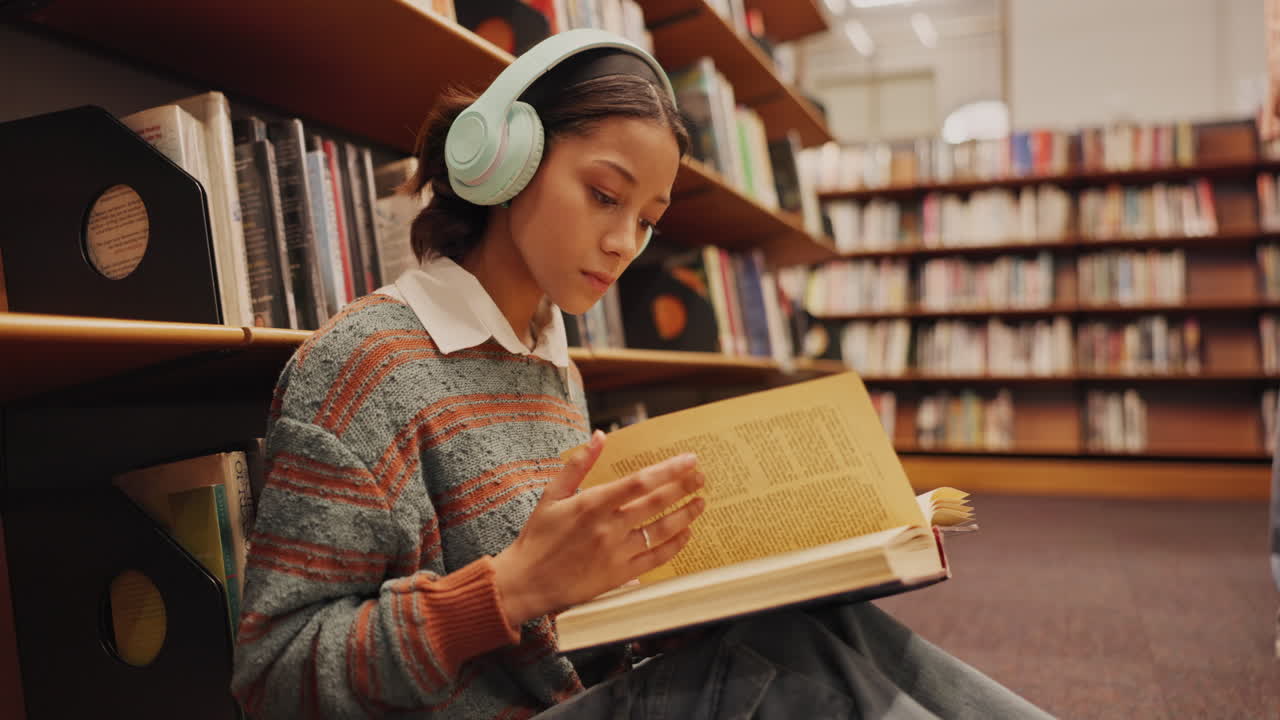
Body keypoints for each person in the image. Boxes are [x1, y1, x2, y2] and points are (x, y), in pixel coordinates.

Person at [231, 28, 1054, 720]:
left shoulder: (547, 360)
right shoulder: (364, 367)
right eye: (602, 195)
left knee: (810, 629)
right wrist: (508, 591)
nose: (626, 242)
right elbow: (272, 674)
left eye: (649, 221)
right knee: (776, 678)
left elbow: (570, 628)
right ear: (508, 161)